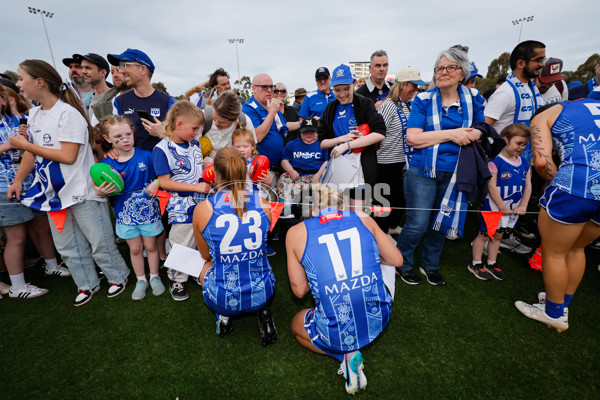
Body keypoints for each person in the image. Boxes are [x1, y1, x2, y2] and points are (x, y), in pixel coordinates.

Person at [7, 59, 130, 306]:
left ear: (39, 82)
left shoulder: (68, 113)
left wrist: (24, 144)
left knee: (100, 241)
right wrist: (18, 180)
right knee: (68, 246)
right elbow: (32, 154)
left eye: (22, 78)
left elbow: (68, 156)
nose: (18, 84)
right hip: (53, 195)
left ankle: (118, 277)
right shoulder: (33, 114)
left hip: (83, 192)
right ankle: (87, 284)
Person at [285, 184, 403, 395]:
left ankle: (343, 356)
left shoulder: (296, 232)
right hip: (378, 316)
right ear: (342, 205)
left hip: (334, 328)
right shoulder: (364, 219)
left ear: (311, 210)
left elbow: (299, 290)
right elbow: (396, 259)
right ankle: (350, 351)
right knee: (384, 265)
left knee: (296, 325)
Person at [396, 47, 485, 286]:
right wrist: (452, 134)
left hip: (458, 172)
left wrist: (472, 133)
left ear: (462, 73)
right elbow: (413, 138)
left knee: (441, 220)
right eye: (439, 68)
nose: (443, 72)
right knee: (418, 223)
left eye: (450, 67)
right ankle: (402, 262)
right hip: (423, 170)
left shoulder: (474, 98)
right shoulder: (423, 100)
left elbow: (482, 129)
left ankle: (430, 265)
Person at [515, 100, 600, 332]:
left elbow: (542, 161)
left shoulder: (552, 112)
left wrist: (557, 181)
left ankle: (554, 313)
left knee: (554, 253)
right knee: (578, 248)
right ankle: (562, 305)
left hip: (575, 186)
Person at [193, 147, 277, 345]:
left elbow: (206, 255)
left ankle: (223, 316)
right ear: (244, 170)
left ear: (216, 173)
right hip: (264, 290)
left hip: (223, 298)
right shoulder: (265, 203)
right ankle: (261, 308)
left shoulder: (203, 209)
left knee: (203, 266)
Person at [93, 115, 166, 300]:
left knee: (150, 245)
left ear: (133, 134)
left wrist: (157, 182)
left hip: (149, 211)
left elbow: (164, 176)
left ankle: (155, 276)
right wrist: (100, 192)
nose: (124, 139)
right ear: (108, 139)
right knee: (135, 249)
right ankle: (141, 279)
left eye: (127, 134)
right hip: (125, 215)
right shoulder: (106, 164)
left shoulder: (147, 155)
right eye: (118, 137)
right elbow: (96, 186)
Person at [485, 40, 546, 253]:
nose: (542, 64)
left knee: (516, 199)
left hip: (522, 159)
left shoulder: (531, 88)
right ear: (521, 62)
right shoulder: (505, 93)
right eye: (538, 60)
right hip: (502, 161)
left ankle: (504, 235)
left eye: (543, 59)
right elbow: (484, 126)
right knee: (497, 202)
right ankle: (486, 241)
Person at [152, 100, 208, 301]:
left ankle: (194, 271)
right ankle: (176, 279)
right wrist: (195, 187)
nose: (196, 133)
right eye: (194, 128)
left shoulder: (194, 144)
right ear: (179, 124)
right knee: (181, 242)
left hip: (201, 202)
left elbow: (199, 170)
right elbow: (165, 183)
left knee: (200, 240)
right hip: (180, 205)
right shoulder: (162, 149)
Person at [469, 123, 532, 281]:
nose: (522, 147)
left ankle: (492, 263)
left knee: (498, 236)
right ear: (505, 140)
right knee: (484, 235)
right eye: (519, 143)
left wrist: (523, 205)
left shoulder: (525, 163)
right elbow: (491, 186)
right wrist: (502, 207)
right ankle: (476, 263)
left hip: (511, 209)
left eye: (525, 144)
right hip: (493, 207)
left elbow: (528, 186)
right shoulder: (495, 161)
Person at [318, 63, 386, 208]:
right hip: (338, 168)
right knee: (335, 212)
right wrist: (342, 139)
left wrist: (348, 145)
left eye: (346, 89)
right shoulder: (330, 108)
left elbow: (380, 133)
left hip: (361, 167)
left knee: (357, 213)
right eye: (337, 90)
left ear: (354, 84)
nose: (342, 94)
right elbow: (322, 142)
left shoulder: (365, 103)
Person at [375, 67, 427, 235]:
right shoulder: (389, 105)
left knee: (399, 198)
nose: (416, 89)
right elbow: (377, 133)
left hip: (402, 162)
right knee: (383, 201)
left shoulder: (407, 105)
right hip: (384, 163)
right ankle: (381, 233)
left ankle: (391, 226)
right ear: (403, 85)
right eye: (414, 85)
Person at [108, 48, 177, 152]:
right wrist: (111, 149)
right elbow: (114, 136)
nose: (121, 71)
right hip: (132, 166)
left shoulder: (169, 102)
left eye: (125, 65)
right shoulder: (119, 102)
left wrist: (163, 132)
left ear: (143, 69)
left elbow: (186, 137)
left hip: (161, 166)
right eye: (120, 66)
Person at [277, 118, 329, 217]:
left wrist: (318, 174)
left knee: (328, 184)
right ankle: (286, 208)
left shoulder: (322, 144)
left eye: (312, 132)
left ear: (317, 132)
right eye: (305, 132)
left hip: (316, 175)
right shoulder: (292, 144)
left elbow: (327, 161)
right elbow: (284, 160)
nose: (308, 134)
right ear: (300, 132)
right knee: (283, 179)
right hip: (296, 175)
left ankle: (323, 211)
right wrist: (291, 171)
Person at [242, 73, 288, 170]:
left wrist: (303, 123)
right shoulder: (248, 108)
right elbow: (258, 136)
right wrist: (271, 113)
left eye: (271, 87)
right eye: (264, 87)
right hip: (261, 169)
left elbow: (284, 126)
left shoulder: (272, 105)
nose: (269, 90)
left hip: (279, 166)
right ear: (253, 88)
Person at [201, 90, 256, 166]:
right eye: (214, 118)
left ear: (235, 119)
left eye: (222, 122)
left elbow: (252, 150)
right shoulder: (204, 117)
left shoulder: (244, 121)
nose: (216, 123)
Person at [73, 53, 112, 125]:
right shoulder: (86, 102)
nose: (83, 71)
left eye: (88, 68)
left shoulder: (117, 98)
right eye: (82, 67)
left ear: (103, 72)